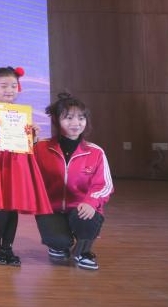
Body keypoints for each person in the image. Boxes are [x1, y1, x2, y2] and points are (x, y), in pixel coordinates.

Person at [0, 66, 52, 266]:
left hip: (17, 162)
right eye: (4, 85)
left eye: (13, 86)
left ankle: (8, 247)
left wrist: (33, 134)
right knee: (1, 207)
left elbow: (26, 142)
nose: (9, 90)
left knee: (13, 207)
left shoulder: (20, 112)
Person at [35, 93, 113, 270]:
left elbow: (104, 185)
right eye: (68, 118)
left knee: (87, 217)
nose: (76, 123)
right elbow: (28, 175)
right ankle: (58, 245)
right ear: (56, 120)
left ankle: (83, 252)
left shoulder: (95, 152)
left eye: (81, 118)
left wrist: (91, 202)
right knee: (58, 241)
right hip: (50, 208)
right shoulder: (41, 148)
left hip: (80, 206)